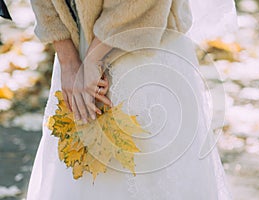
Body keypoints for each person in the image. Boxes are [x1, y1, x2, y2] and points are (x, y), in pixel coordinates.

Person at [26, 0, 237, 199]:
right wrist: (67, 59)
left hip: (144, 42)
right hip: (74, 51)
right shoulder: (70, 62)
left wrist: (94, 58)